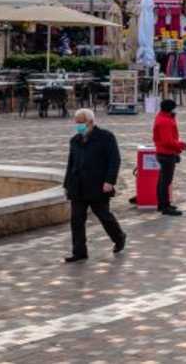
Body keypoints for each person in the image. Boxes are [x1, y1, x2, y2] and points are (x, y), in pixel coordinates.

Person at [62, 108, 126, 262]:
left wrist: (109, 181)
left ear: (90, 122)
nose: (78, 126)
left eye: (81, 123)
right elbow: (71, 163)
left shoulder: (106, 137)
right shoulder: (75, 140)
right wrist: (67, 184)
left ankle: (119, 237)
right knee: (76, 220)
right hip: (78, 186)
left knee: (104, 216)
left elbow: (114, 160)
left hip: (98, 185)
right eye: (76, 123)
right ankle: (79, 252)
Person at [151, 98, 186, 216]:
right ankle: (164, 206)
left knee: (163, 181)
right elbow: (168, 141)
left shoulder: (163, 117)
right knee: (165, 182)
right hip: (166, 154)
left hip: (164, 152)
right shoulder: (165, 121)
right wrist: (181, 146)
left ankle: (162, 204)